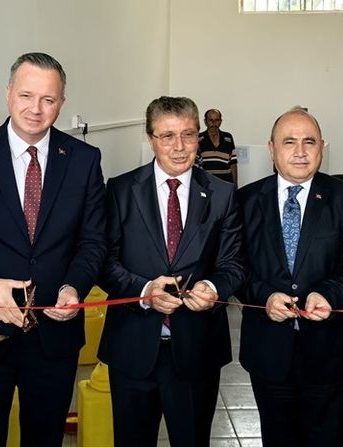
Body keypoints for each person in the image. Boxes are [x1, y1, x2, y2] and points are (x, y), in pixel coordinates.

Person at [0, 53, 106, 447]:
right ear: (9, 93)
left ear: (62, 103)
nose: (36, 109)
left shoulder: (84, 160)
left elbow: (94, 242)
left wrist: (73, 287)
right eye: (26, 95)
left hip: (53, 336)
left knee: (45, 438)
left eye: (48, 99)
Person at [98, 96, 243, 447]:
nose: (179, 147)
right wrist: (144, 291)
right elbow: (104, 262)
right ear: (151, 138)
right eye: (167, 136)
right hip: (132, 350)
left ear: (198, 136)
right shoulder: (120, 190)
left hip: (197, 351)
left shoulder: (223, 194)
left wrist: (212, 288)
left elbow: (234, 264)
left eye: (188, 135)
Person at [238, 107, 343, 446]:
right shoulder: (245, 200)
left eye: (309, 142)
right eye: (289, 142)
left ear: (322, 148)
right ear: (271, 149)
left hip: (332, 353)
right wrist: (265, 297)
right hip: (268, 353)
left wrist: (328, 293)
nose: (300, 151)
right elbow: (236, 266)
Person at [197, 108, 238, 185]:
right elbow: (196, 166)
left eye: (217, 120)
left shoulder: (228, 138)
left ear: (220, 122)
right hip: (207, 184)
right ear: (205, 122)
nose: (214, 123)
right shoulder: (199, 139)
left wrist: (235, 185)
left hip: (226, 183)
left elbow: (233, 163)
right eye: (211, 120)